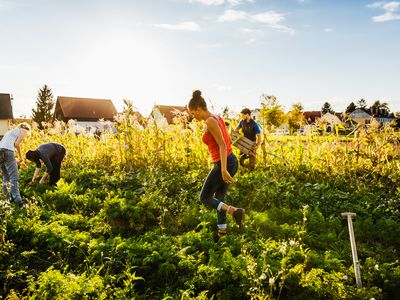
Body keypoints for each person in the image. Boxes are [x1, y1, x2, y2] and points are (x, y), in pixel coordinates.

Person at [188, 90, 245, 242]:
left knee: (204, 197)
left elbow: (222, 145)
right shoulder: (217, 118)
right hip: (229, 160)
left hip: (223, 163)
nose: (194, 117)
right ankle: (222, 235)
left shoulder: (210, 121)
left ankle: (235, 212)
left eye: (193, 113)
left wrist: (224, 169)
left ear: (199, 109)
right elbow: (224, 143)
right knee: (220, 199)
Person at [0, 123, 31, 207]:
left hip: (1, 152)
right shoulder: (24, 130)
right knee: (14, 177)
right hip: (7, 152)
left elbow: (6, 153)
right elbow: (16, 144)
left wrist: (19, 161)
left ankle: (6, 199)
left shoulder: (9, 132)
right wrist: (21, 157)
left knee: (5, 177)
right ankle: (18, 201)